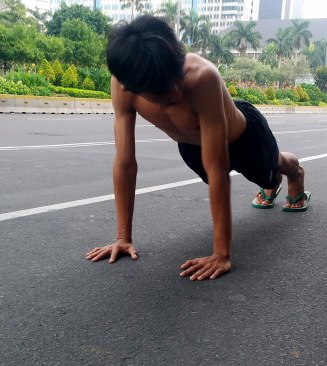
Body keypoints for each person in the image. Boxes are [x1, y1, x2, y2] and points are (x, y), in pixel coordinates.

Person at [85, 16, 309, 281]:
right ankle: (272, 184)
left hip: (245, 137)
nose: (178, 94)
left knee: (273, 169)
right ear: (129, 87)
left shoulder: (203, 77)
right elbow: (125, 162)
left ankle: (295, 175)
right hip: (192, 147)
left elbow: (219, 168)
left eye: (177, 79)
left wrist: (221, 254)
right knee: (242, 175)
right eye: (164, 95)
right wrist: (122, 238)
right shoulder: (124, 85)